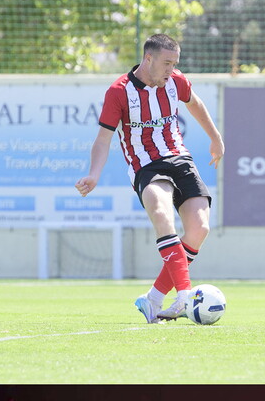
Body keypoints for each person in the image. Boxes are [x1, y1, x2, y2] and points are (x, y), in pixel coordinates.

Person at [75, 33, 225, 323]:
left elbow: (195, 103)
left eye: (175, 64)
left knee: (200, 228)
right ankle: (184, 295)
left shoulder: (176, 81)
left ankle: (153, 300)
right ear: (148, 59)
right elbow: (103, 139)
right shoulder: (119, 91)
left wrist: (216, 138)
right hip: (147, 164)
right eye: (167, 63)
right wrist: (94, 174)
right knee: (160, 210)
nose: (172, 70)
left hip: (179, 158)